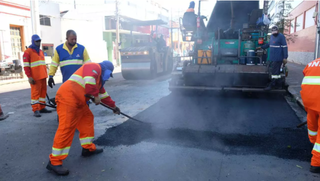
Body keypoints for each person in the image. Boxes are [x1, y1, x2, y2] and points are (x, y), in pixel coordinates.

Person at [46, 61, 121, 176]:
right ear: (105, 69)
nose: (107, 78)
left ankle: (87, 148)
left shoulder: (98, 82)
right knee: (66, 128)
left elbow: (104, 96)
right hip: (68, 98)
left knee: (87, 118)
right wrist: (95, 95)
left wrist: (114, 107)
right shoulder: (93, 66)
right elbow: (90, 81)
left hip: (78, 101)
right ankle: (54, 162)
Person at [23, 34, 52, 117]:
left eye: (39, 41)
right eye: (37, 41)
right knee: (35, 94)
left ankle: (42, 107)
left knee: (43, 93)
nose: (38, 43)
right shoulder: (27, 52)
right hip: (35, 77)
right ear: (33, 41)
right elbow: (26, 66)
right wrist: (29, 77)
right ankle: (36, 109)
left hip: (43, 75)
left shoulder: (41, 51)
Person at [301, 58, 320, 173]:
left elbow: (305, 73)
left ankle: (313, 143)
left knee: (312, 125)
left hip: (309, 100)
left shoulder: (312, 63)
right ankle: (316, 163)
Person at [257, 25, 288, 91]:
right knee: (276, 72)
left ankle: (272, 85)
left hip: (278, 58)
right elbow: (269, 44)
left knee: (274, 72)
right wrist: (261, 47)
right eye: (273, 33)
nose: (274, 34)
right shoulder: (271, 36)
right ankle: (278, 85)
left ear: (278, 31)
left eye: (275, 33)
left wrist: (285, 57)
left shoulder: (281, 37)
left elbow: (285, 47)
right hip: (272, 58)